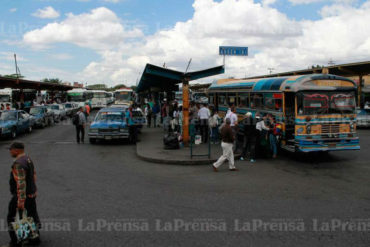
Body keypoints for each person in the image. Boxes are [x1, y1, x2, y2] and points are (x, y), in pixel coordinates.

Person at [7, 142, 41, 246]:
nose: (10, 151)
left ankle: (16, 241)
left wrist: (20, 201)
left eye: (11, 149)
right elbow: (33, 175)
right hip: (31, 194)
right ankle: (35, 238)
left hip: (22, 196)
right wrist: (34, 190)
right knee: (32, 215)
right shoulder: (27, 159)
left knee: (11, 218)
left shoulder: (18, 164)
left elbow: (21, 183)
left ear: (16, 150)